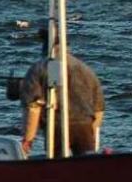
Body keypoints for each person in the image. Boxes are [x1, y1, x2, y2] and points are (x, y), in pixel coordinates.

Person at [20, 28, 104, 158]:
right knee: (87, 168)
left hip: (57, 126)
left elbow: (34, 107)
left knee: (56, 167)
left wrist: (28, 139)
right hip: (85, 127)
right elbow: (98, 109)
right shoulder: (87, 70)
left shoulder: (40, 68)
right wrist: (92, 131)